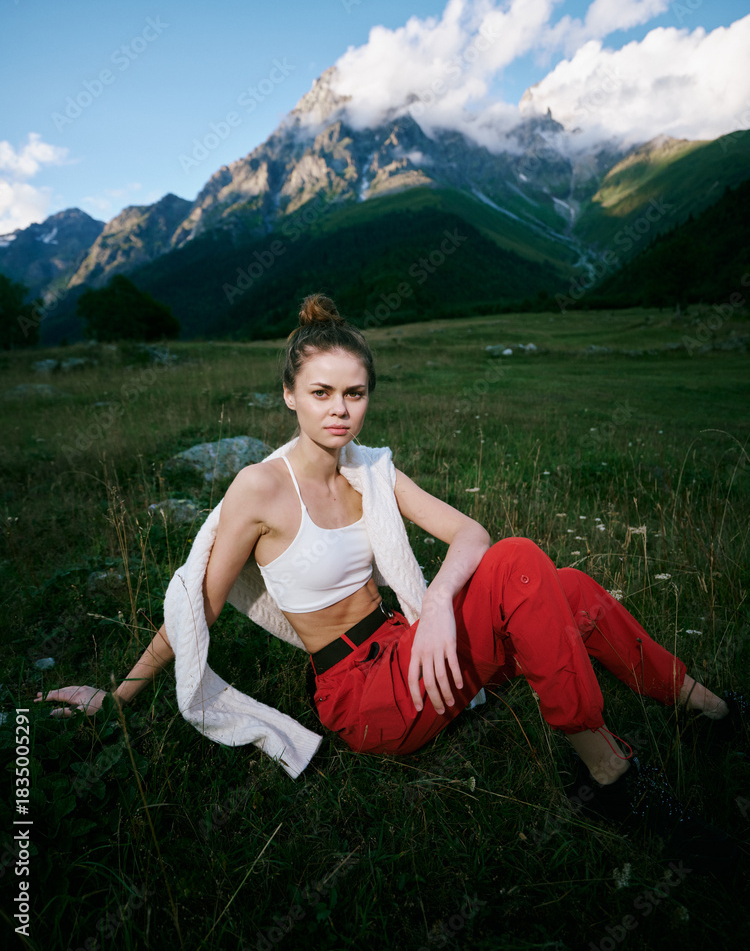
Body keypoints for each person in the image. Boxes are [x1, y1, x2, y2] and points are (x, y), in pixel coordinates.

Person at [36, 292, 746, 873]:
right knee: (524, 560)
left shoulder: (371, 468)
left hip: (412, 648)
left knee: (570, 586)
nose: (339, 410)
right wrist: (121, 697)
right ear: (290, 395)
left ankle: (707, 710)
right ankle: (611, 777)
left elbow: (471, 534)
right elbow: (196, 605)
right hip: (363, 696)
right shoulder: (260, 490)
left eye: (355, 393)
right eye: (321, 393)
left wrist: (437, 603)